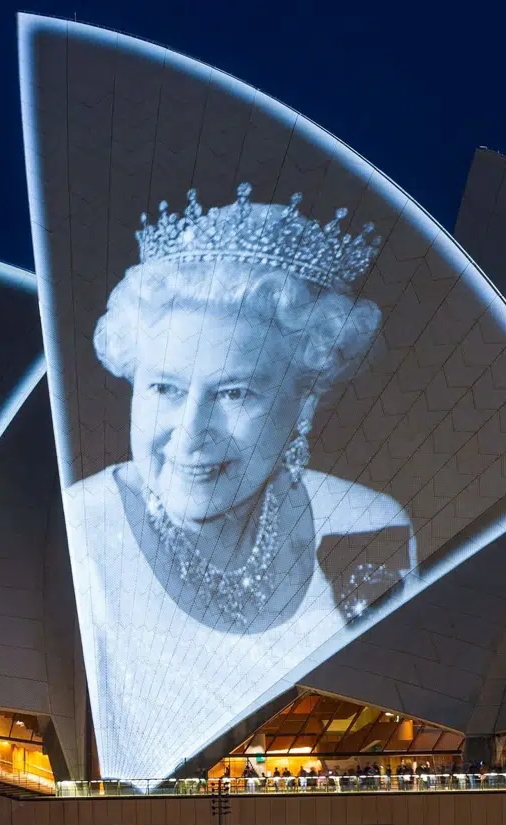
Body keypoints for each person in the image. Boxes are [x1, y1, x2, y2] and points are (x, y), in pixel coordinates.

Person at [63, 183, 415, 779]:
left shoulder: (370, 525)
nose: (190, 432)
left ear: (303, 398)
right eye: (165, 389)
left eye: (233, 392)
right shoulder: (81, 533)